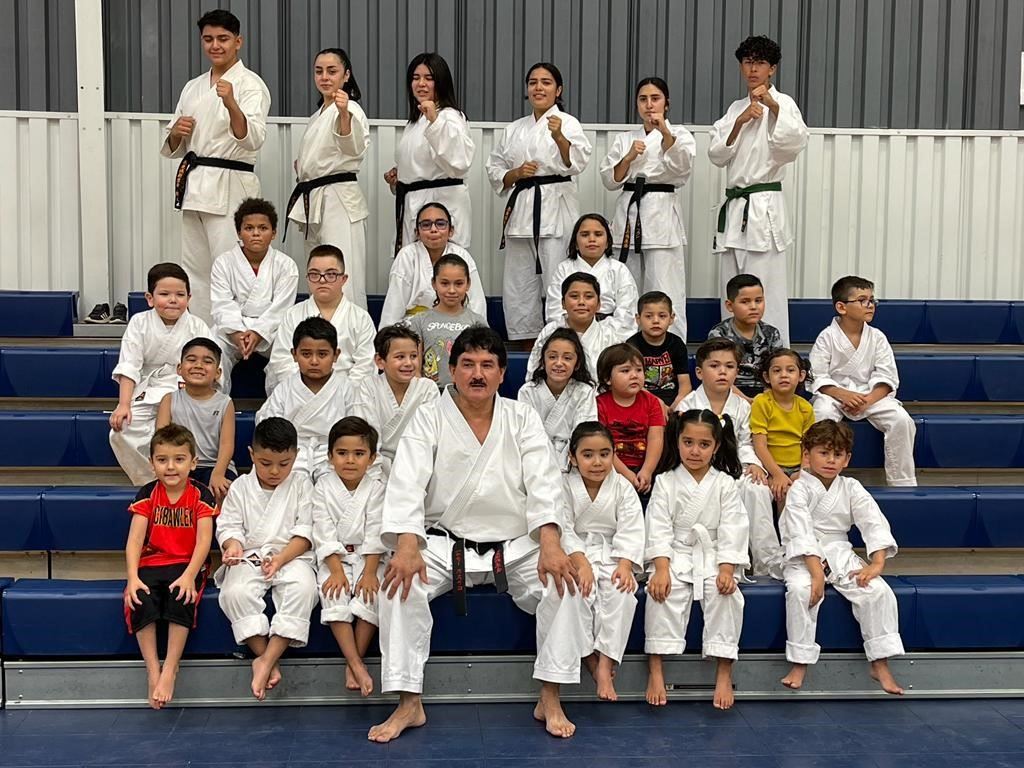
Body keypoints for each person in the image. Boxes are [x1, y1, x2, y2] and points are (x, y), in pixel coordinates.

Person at [369, 327, 590, 742]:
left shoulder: (521, 416)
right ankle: (408, 702)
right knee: (396, 587)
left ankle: (550, 694)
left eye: (487, 365)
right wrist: (407, 543)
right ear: (451, 370)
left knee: (565, 586)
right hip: (443, 542)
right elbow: (406, 482)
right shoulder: (430, 415)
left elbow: (544, 482)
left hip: (515, 543)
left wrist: (550, 542)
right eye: (467, 364)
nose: (477, 373)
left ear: (502, 373)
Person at [161, 9, 271, 322]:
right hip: (195, 183)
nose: (215, 45)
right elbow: (173, 146)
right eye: (208, 39)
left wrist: (231, 103)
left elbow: (252, 139)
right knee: (195, 268)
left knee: (230, 265)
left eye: (223, 39)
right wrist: (175, 133)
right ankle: (203, 339)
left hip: (230, 181)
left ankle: (235, 335)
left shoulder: (250, 84)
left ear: (238, 42)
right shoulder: (193, 86)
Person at [780, 420, 905, 694]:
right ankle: (800, 662)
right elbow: (799, 531)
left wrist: (876, 563)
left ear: (847, 459)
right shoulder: (799, 488)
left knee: (877, 592)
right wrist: (815, 573)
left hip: (841, 553)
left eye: (837, 454)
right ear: (806, 455)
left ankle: (880, 662)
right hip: (804, 557)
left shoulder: (851, 487)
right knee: (802, 592)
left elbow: (873, 521)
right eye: (823, 453)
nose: (830, 460)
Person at [644, 410, 749, 710]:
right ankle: (655, 668)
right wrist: (661, 568)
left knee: (725, 593)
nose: (694, 451)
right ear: (676, 441)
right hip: (675, 550)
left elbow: (733, 526)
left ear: (716, 446)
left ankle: (724, 670)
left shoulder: (726, 483)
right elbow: (659, 525)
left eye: (704, 444)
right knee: (662, 591)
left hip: (714, 552)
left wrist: (727, 568)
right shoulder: (665, 481)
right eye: (688, 442)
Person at [709, 35, 808, 346]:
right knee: (732, 286)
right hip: (736, 206)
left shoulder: (785, 104)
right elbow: (717, 154)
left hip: (764, 208)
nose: (753, 69)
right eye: (748, 62)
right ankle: (729, 358)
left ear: (772, 69)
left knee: (766, 289)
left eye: (760, 63)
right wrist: (739, 122)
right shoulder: (735, 108)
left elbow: (792, 145)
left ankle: (775, 361)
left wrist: (773, 108)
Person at [486, 62, 593, 341]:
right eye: (533, 82)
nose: (538, 87)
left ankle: (562, 339)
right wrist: (516, 173)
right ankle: (524, 341)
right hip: (522, 207)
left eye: (546, 82)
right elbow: (494, 168)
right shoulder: (514, 129)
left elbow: (577, 162)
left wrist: (558, 136)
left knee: (558, 277)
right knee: (518, 283)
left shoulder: (569, 123)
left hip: (556, 206)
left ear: (558, 90)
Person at [215, 417, 318, 701]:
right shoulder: (240, 487)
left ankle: (266, 660)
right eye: (265, 463)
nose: (274, 471)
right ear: (251, 455)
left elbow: (306, 531)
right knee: (235, 592)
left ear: (295, 457)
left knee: (304, 588)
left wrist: (282, 558)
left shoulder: (301, 485)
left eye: (284, 464)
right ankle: (265, 656)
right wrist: (233, 546)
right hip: (250, 557)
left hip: (292, 554)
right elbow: (229, 526)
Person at [123, 424, 216, 710]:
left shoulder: (201, 495)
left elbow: (204, 542)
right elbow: (134, 541)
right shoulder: (147, 494)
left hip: (187, 565)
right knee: (141, 599)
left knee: (181, 597)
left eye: (179, 459)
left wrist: (190, 576)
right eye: (162, 460)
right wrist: (132, 578)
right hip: (152, 563)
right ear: (152, 463)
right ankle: (153, 670)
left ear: (193, 462)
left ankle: (171, 668)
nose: (171, 467)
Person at [600, 77, 696, 340]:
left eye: (655, 99)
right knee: (628, 286)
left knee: (665, 286)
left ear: (667, 104)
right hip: (629, 213)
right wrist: (629, 157)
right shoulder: (624, 139)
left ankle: (671, 346)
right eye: (643, 99)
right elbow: (610, 180)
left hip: (662, 214)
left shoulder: (681, 135)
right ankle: (626, 344)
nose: (649, 105)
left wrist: (665, 133)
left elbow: (682, 169)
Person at [679, 339, 781, 579]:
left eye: (730, 366)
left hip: (736, 468)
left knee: (757, 489)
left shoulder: (744, 407)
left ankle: (767, 561)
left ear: (737, 371)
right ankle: (721, 560)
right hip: (700, 471)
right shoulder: (687, 406)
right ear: (699, 372)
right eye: (714, 366)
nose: (722, 372)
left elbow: (746, 442)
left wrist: (754, 464)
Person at [560, 422, 644, 702]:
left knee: (622, 592)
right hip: (574, 553)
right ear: (572, 457)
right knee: (576, 592)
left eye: (605, 454)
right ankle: (589, 660)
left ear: (614, 454)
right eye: (587, 455)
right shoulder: (563, 486)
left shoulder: (622, 487)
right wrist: (580, 561)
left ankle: (606, 662)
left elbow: (631, 527)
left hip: (612, 553)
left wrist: (624, 563)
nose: (597, 462)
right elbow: (564, 528)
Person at [109, 263, 213, 486]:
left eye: (180, 294)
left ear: (189, 297)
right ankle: (151, 481)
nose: (173, 300)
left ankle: (183, 478)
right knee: (122, 430)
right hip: (147, 388)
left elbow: (209, 364)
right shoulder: (139, 323)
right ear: (150, 298)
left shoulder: (198, 325)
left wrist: (197, 389)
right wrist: (124, 404)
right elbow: (129, 366)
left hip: (186, 388)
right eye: (165, 294)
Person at [808, 276, 917, 487]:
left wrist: (867, 400)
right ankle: (817, 478)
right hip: (834, 396)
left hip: (871, 395)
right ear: (841, 307)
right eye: (862, 300)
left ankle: (902, 482)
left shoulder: (877, 337)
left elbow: (887, 377)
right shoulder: (827, 337)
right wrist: (843, 395)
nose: (870, 305)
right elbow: (817, 376)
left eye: (872, 300)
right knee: (821, 413)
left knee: (901, 420)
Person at [287, 48, 371, 309]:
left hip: (339, 199)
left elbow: (353, 147)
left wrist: (344, 114)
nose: (324, 77)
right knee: (318, 271)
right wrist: (306, 168)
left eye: (332, 71)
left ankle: (353, 336)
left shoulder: (351, 108)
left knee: (343, 271)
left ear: (346, 75)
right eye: (319, 71)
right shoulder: (317, 115)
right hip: (313, 197)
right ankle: (322, 333)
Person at [311, 417, 387, 697]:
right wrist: (336, 569)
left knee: (373, 594)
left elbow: (376, 529)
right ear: (330, 457)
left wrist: (369, 572)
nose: (350, 461)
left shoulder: (376, 488)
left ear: (372, 458)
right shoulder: (322, 487)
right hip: (336, 558)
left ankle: (356, 659)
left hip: (371, 558)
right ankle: (354, 662)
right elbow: (322, 528)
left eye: (359, 454)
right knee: (334, 593)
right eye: (342, 453)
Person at [385, 52, 474, 255]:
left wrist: (435, 120)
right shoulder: (415, 122)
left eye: (429, 78)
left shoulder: (451, 116)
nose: (421, 84)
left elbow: (460, 161)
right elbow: (422, 163)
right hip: (413, 201)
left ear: (441, 82)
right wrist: (399, 177)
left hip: (442, 203)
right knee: (414, 267)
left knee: (442, 270)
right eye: (416, 78)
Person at [210, 198, 299, 392]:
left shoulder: (286, 265)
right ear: (239, 232)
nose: (256, 233)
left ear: (273, 233)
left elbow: (281, 309)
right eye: (249, 228)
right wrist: (237, 334)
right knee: (211, 352)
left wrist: (258, 333)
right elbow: (222, 304)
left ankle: (280, 411)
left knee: (287, 361)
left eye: (263, 228)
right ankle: (213, 408)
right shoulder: (223, 263)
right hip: (232, 330)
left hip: (272, 330)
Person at [266, 244, 375, 395]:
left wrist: (337, 396)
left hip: (347, 399)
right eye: (314, 274)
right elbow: (282, 362)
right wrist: (307, 392)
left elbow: (365, 367)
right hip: (298, 396)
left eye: (331, 274)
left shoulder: (361, 319)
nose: (322, 281)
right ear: (307, 278)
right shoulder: (292, 315)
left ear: (343, 279)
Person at [257, 317, 351, 482]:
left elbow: (358, 428)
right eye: (306, 354)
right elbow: (266, 423)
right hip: (291, 452)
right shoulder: (285, 389)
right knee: (289, 485)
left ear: (336, 355)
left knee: (334, 487)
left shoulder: (347, 388)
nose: (314, 361)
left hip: (335, 452)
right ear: (294, 354)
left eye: (322, 354)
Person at [350, 325, 440, 475]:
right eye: (400, 357)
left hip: (417, 465)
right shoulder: (368, 387)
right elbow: (365, 438)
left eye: (413, 356)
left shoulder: (427, 389)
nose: (408, 363)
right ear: (380, 361)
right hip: (375, 465)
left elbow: (429, 439)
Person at [155, 337, 237, 502]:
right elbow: (161, 441)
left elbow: (226, 444)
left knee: (222, 490)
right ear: (179, 368)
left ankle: (219, 528)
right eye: (191, 360)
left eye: (207, 361)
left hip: (214, 465)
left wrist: (218, 473)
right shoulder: (169, 400)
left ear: (218, 373)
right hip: (179, 464)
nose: (198, 365)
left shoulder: (225, 403)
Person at [380, 202, 486, 328]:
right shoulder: (407, 256)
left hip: (457, 325)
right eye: (426, 225)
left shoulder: (462, 256)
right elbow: (394, 305)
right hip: (415, 326)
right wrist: (387, 339)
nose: (434, 229)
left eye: (440, 224)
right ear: (417, 232)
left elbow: (476, 304)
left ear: (451, 230)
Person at [544, 213, 638, 337]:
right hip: (570, 335)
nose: (592, 239)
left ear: (608, 242)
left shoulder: (619, 269)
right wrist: (573, 335)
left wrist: (603, 335)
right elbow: (555, 309)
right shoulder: (564, 269)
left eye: (598, 234)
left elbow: (627, 312)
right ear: (576, 243)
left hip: (610, 335)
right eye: (585, 235)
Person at [518, 328, 598, 467]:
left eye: (567, 358)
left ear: (577, 364)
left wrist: (562, 462)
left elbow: (584, 436)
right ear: (543, 361)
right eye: (552, 357)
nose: (559, 363)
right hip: (536, 460)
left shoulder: (584, 392)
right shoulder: (528, 391)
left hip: (572, 461)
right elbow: (526, 434)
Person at [406, 254, 488, 388]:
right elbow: (414, 366)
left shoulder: (477, 322)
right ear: (434, 284)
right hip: (430, 395)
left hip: (466, 393)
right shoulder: (419, 321)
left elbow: (485, 362)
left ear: (468, 284)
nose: (451, 290)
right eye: (444, 283)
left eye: (459, 283)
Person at [595, 343, 666, 497]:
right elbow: (602, 446)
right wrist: (627, 475)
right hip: (611, 468)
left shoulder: (652, 402)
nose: (634, 375)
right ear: (608, 378)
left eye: (639, 370)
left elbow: (656, 438)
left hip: (646, 466)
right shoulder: (599, 404)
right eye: (625, 371)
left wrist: (647, 471)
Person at [526, 273, 626, 381]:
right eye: (574, 296)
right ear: (563, 303)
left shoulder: (609, 337)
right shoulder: (549, 332)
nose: (581, 302)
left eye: (588, 297)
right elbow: (534, 376)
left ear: (598, 304)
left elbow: (617, 380)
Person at [750, 348, 816, 505]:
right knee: (783, 492)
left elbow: (808, 446)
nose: (784, 375)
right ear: (767, 376)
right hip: (770, 467)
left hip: (797, 467)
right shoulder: (762, 402)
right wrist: (777, 474)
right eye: (777, 371)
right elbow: (760, 445)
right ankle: (782, 530)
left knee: (803, 490)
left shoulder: (805, 408)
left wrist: (803, 472)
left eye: (790, 370)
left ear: (801, 376)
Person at [708, 273, 781, 401]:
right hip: (729, 391)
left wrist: (764, 399)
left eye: (758, 300)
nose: (753, 307)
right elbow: (717, 373)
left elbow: (777, 370)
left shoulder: (771, 333)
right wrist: (745, 399)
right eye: (745, 302)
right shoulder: (719, 334)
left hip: (765, 393)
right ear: (730, 306)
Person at [627, 291, 691, 414]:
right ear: (638, 319)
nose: (655, 321)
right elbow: (633, 383)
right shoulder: (632, 346)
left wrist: (674, 408)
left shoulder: (677, 344)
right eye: (649, 316)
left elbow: (685, 385)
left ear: (671, 319)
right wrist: (658, 405)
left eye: (662, 316)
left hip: (673, 400)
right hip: (642, 398)